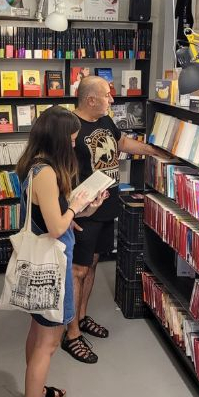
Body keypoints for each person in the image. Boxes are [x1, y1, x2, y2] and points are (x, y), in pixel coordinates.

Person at [15, 106, 107, 397]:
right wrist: (76, 207)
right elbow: (56, 227)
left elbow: (47, 216)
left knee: (37, 331)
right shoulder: (47, 173)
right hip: (53, 266)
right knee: (48, 343)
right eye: (70, 137)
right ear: (58, 138)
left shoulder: (32, 163)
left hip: (39, 261)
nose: (73, 142)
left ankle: (34, 393)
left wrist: (81, 209)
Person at [62, 76, 163, 364]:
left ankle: (80, 318)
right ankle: (70, 335)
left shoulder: (105, 121)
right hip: (84, 212)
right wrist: (65, 211)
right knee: (77, 270)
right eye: (107, 95)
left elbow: (122, 143)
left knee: (91, 264)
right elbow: (57, 169)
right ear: (91, 99)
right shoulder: (69, 126)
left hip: (106, 206)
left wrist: (154, 151)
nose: (112, 100)